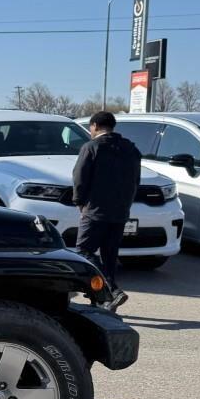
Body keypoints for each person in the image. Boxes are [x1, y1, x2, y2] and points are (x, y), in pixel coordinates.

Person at [73, 111, 141, 311]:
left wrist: (79, 202)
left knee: (83, 251)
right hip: (120, 211)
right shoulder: (131, 149)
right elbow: (136, 180)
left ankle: (111, 290)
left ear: (94, 125)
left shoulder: (92, 147)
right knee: (109, 257)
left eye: (91, 127)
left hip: (95, 210)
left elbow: (80, 177)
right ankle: (104, 301)